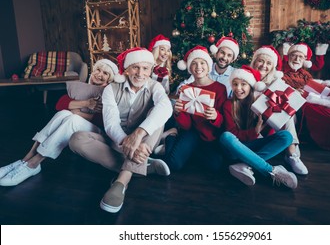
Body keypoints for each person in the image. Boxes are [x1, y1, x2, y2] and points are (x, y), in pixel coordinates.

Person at [69, 47, 173, 213]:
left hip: (144, 139)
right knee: (76, 139)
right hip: (116, 139)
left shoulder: (155, 87)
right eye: (135, 67)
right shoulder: (111, 88)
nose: (140, 73)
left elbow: (167, 107)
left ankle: (121, 181)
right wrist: (128, 142)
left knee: (158, 116)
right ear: (127, 69)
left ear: (150, 70)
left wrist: (138, 134)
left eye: (145, 68)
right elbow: (110, 124)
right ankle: (144, 167)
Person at [0, 59, 121, 186]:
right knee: (63, 114)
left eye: (105, 73)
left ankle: (33, 164)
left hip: (98, 133)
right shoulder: (81, 87)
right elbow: (60, 104)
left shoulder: (108, 91)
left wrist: (77, 111)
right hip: (82, 123)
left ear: (109, 79)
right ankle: (24, 160)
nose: (99, 74)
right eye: (98, 70)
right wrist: (87, 103)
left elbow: (101, 119)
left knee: (72, 119)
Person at [220, 65, 297, 189]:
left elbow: (268, 132)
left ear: (251, 86)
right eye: (235, 84)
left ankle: (245, 165)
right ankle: (271, 171)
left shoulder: (261, 102)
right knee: (226, 137)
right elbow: (232, 133)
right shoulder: (228, 104)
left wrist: (271, 120)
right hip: (235, 149)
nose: (238, 88)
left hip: (254, 146)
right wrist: (255, 131)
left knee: (287, 136)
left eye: (243, 84)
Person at [160, 46, 227, 171]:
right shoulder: (186, 89)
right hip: (192, 133)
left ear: (208, 66)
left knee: (215, 165)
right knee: (173, 164)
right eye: (194, 64)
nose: (198, 67)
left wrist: (216, 116)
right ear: (190, 68)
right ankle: (171, 138)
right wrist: (179, 112)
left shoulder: (220, 88)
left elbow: (224, 122)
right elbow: (186, 126)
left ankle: (187, 151)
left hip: (211, 135)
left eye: (202, 63)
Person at [250, 46, 309, 175]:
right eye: (261, 61)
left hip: (270, 124)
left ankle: (292, 154)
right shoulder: (245, 78)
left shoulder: (275, 82)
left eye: (269, 63)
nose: (264, 65)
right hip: (251, 121)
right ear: (254, 62)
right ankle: (292, 151)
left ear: (273, 67)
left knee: (286, 113)